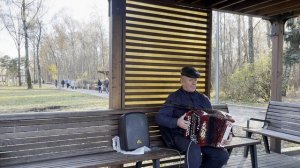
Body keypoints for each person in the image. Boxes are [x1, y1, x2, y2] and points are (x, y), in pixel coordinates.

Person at [155, 66, 231, 168]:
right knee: (194, 147)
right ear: (181, 81)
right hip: (179, 137)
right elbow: (159, 117)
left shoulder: (203, 99)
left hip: (203, 138)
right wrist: (177, 122)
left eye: (195, 80)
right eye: (190, 80)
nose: (194, 83)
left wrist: (226, 135)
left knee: (222, 155)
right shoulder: (174, 98)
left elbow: (215, 120)